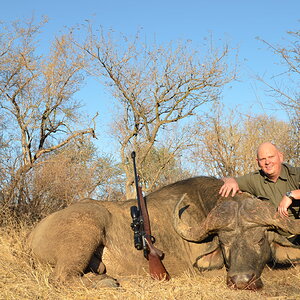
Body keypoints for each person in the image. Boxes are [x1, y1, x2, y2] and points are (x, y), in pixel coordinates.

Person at [219, 142, 300, 219]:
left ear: (280, 157)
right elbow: (226, 181)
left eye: (271, 157)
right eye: (262, 159)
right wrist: (230, 180)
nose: (267, 162)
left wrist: (291, 195)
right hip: (271, 231)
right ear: (258, 162)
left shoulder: (296, 174)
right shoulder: (254, 179)